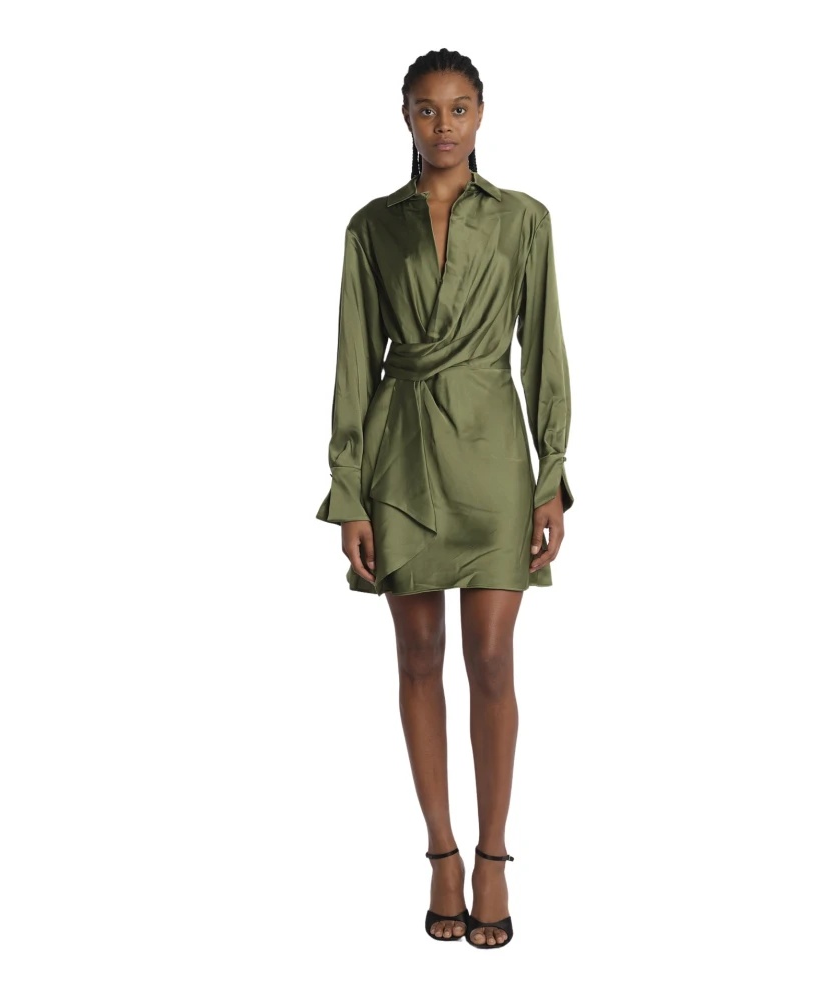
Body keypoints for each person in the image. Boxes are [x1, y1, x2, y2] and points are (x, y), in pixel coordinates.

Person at [315, 48, 575, 949]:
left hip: (496, 454)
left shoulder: (525, 219)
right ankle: (442, 855)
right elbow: (354, 363)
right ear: (405, 117)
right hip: (402, 457)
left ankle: (495, 854)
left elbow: (544, 349)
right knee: (419, 654)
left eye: (459, 108)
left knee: (492, 657)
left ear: (482, 113)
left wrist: (551, 476)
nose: (444, 125)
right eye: (427, 109)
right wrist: (349, 492)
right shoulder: (370, 227)